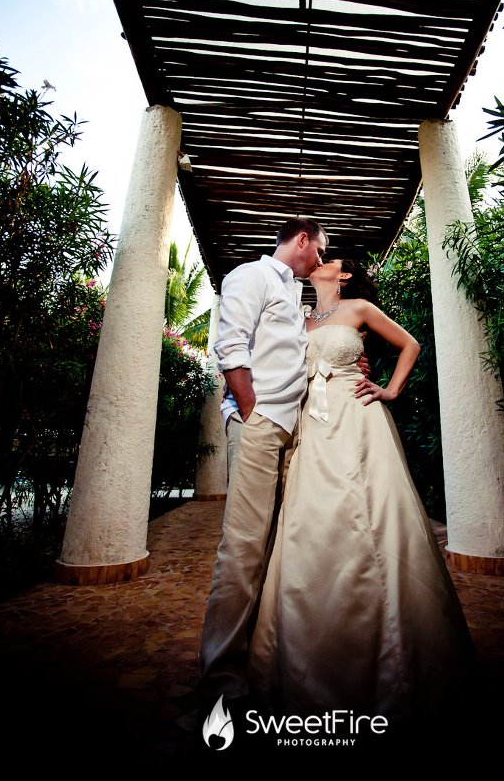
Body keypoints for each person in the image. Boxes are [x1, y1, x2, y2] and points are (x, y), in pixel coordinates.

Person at [247, 257, 476, 722]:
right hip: (311, 428)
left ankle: (396, 652)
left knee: (369, 515)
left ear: (344, 274)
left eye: (327, 260)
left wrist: (389, 389)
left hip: (357, 419)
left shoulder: (359, 309)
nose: (316, 262)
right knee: (311, 523)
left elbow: (410, 344)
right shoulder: (302, 318)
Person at [198, 216, 328, 708]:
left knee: (272, 546)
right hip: (261, 425)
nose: (319, 259)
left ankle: (254, 659)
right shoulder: (250, 275)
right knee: (243, 549)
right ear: (301, 241)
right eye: (319, 250)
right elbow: (229, 346)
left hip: (290, 431)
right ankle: (220, 680)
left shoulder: (294, 295)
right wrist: (252, 411)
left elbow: (298, 356)